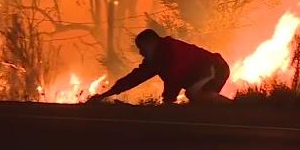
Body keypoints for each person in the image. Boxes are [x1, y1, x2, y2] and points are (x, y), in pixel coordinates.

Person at [85, 29, 231, 105]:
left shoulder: (169, 50)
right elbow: (134, 78)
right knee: (199, 103)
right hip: (210, 69)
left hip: (215, 68)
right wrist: (106, 94)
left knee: (194, 94)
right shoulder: (155, 59)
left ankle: (234, 107)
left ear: (151, 43)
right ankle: (229, 110)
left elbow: (175, 76)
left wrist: (168, 100)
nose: (141, 52)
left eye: (141, 48)